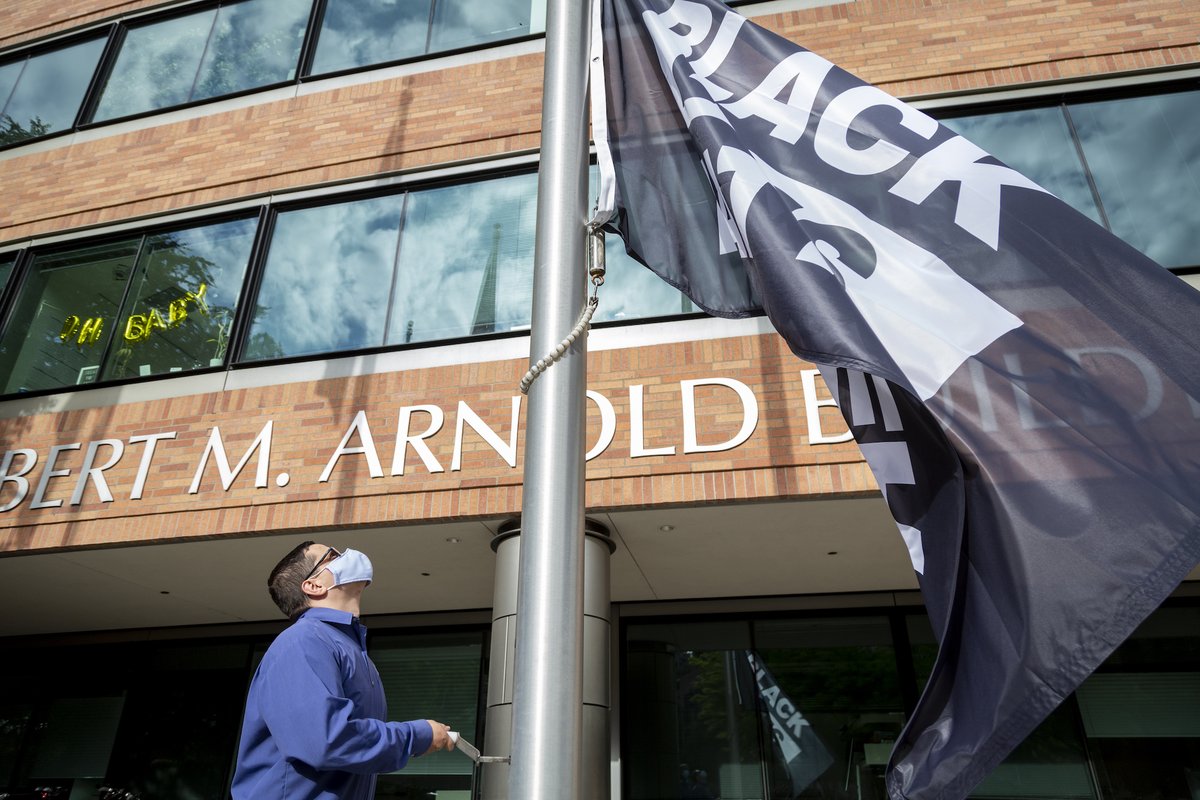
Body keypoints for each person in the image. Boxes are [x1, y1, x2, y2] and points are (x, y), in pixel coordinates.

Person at [231, 541, 455, 799]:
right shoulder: (303, 641)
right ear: (314, 585)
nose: (345, 556)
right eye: (332, 556)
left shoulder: (345, 648)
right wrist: (417, 736)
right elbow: (325, 741)